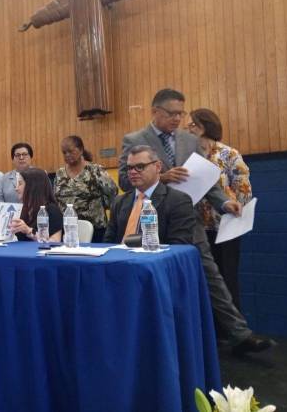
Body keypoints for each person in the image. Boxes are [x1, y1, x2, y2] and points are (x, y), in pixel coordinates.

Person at [118, 88, 274, 355]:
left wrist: (224, 202)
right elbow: (124, 181)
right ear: (155, 112)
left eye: (181, 113)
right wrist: (162, 177)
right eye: (172, 113)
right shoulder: (134, 139)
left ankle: (239, 333)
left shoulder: (189, 141)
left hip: (188, 218)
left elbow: (207, 179)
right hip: (151, 218)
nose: (178, 119)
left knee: (211, 274)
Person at [187, 108, 252, 309]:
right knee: (204, 283)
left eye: (192, 125)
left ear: (205, 126)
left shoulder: (228, 154)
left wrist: (229, 204)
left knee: (227, 280)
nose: (187, 129)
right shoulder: (188, 157)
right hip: (198, 229)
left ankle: (235, 334)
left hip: (226, 227)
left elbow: (244, 191)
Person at [104, 146, 195, 244]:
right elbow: (108, 242)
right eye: (129, 168)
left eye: (140, 167)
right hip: (119, 257)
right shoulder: (119, 202)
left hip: (156, 257)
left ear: (158, 167)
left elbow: (178, 245)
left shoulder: (178, 201)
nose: (133, 172)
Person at [54, 135, 117, 242]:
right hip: (68, 229)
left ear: (81, 150)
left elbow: (112, 192)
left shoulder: (95, 170)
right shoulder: (60, 173)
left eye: (71, 151)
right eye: (64, 153)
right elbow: (55, 198)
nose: (67, 155)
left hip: (95, 229)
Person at [10, 168, 63, 242]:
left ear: (32, 187)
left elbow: (55, 241)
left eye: (20, 184)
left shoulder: (52, 210)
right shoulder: (24, 209)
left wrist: (29, 231)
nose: (16, 188)